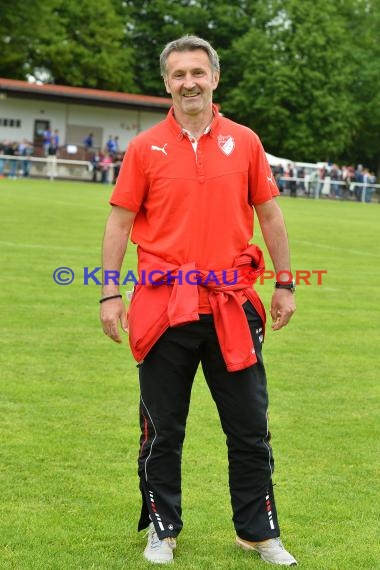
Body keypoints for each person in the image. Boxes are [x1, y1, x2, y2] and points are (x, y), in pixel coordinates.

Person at [100, 35, 297, 566]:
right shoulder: (144, 148)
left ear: (214, 78)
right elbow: (119, 223)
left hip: (232, 305)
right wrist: (110, 292)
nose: (189, 82)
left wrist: (284, 282)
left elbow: (271, 215)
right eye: (179, 74)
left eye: (198, 72)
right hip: (163, 307)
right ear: (166, 82)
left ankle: (258, 532)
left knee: (250, 429)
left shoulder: (246, 141)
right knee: (163, 428)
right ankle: (162, 530)